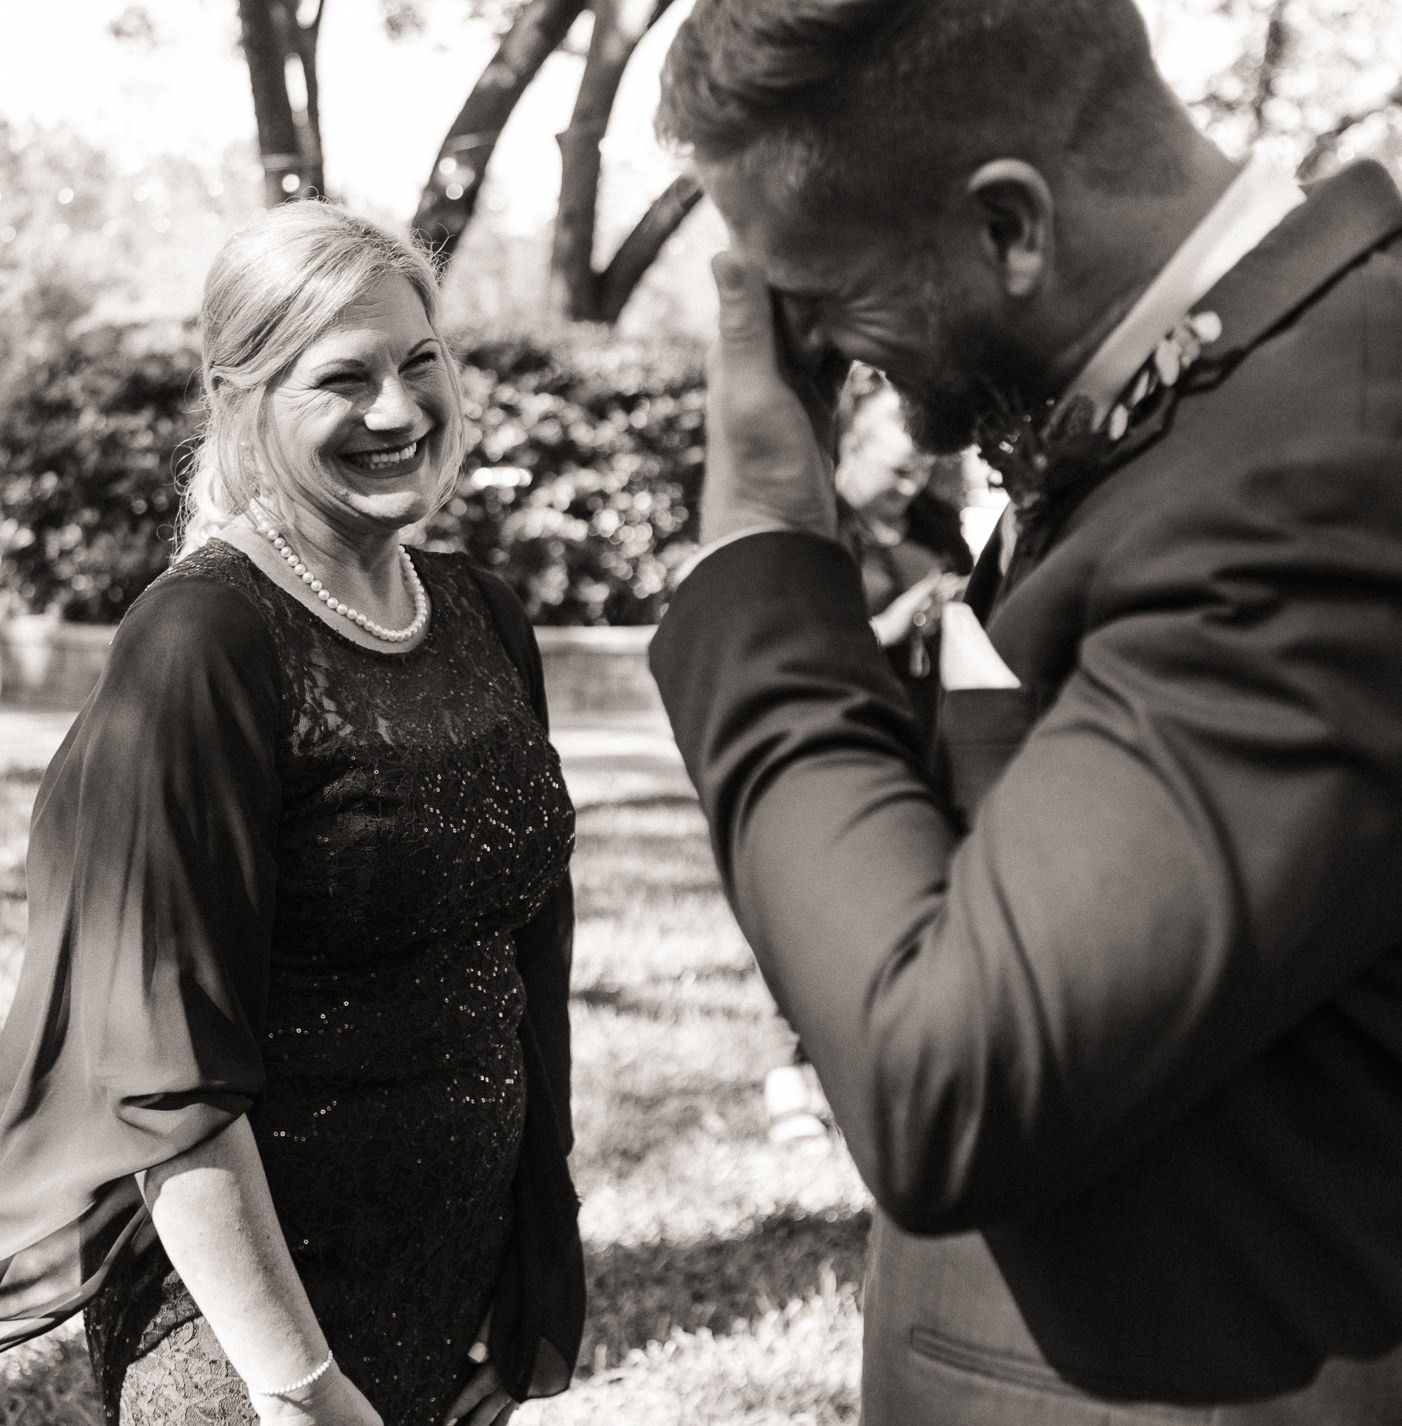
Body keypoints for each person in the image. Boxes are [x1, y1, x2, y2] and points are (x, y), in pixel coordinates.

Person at [647, 1, 1402, 1422]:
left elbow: (945, 1082)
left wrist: (760, 550)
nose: (811, 355)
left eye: (817, 294)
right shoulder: (1212, 401)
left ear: (1007, 227)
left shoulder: (1329, 450)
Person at [0, 202, 583, 1426]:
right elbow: (161, 1067)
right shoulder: (203, 640)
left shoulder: (481, 614)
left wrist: (535, 1258)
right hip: (248, 1339)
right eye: (344, 379)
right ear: (239, 398)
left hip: (452, 1293)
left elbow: (525, 961)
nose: (398, 410)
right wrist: (300, 1387)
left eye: (420, 361)